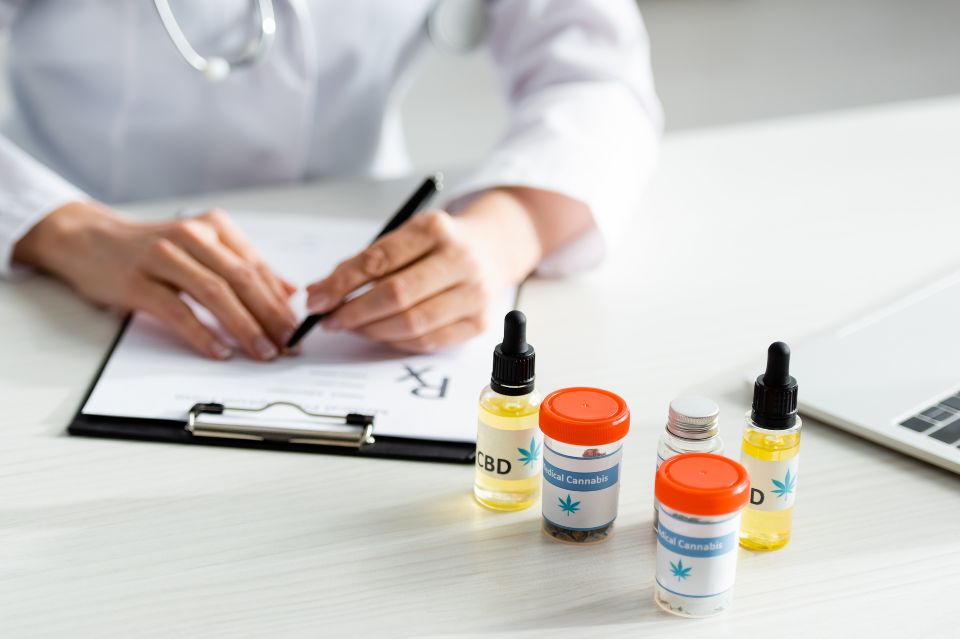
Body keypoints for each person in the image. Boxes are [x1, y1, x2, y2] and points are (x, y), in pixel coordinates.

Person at [0, 0, 661, 360]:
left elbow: (593, 72)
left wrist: (505, 234)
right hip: (65, 278)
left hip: (368, 226)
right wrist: (59, 228)